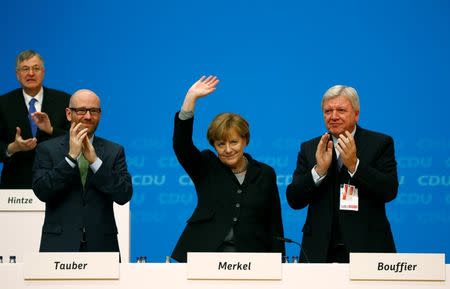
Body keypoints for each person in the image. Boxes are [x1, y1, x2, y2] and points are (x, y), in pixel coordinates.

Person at [171, 76, 285, 262]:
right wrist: (190, 99)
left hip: (253, 259)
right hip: (204, 254)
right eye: (221, 144)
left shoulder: (265, 173)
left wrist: (280, 265)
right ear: (214, 145)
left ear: (245, 141)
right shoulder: (206, 165)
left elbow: (274, 224)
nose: (228, 149)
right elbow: (181, 145)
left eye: (234, 142)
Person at [286, 85, 398, 263]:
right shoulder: (310, 148)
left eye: (341, 110)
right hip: (319, 251)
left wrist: (355, 165)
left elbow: (389, 190)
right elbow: (294, 199)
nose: (333, 116)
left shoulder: (380, 143)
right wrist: (318, 171)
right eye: (328, 111)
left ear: (356, 113)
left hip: (367, 249)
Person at [32, 89, 133, 253]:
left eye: (94, 111)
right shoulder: (47, 149)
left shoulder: (113, 151)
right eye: (81, 110)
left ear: (100, 114)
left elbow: (124, 195)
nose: (87, 116)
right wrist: (70, 158)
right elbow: (42, 191)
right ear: (68, 113)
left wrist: (95, 162)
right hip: (58, 245)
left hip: (102, 246)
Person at [0, 50, 70, 189]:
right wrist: (12, 148)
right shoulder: (3, 104)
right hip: (15, 187)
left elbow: (76, 141)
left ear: (43, 72)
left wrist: (51, 130)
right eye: (25, 69)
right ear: (17, 74)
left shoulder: (64, 101)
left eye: (36, 68)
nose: (31, 73)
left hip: (57, 183)